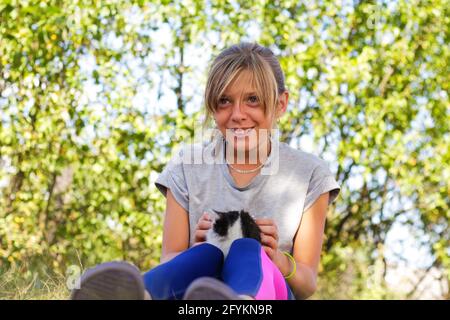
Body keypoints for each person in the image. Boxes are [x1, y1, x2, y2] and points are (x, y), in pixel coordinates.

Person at [71, 42, 340, 300]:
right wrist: (196, 248)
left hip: (270, 293)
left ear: (281, 104)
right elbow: (170, 259)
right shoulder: (187, 166)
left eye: (253, 100)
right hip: (198, 290)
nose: (237, 114)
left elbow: (307, 284)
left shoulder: (309, 174)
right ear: (213, 107)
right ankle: (139, 294)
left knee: (246, 248)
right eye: (224, 101)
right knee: (206, 254)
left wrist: (278, 259)